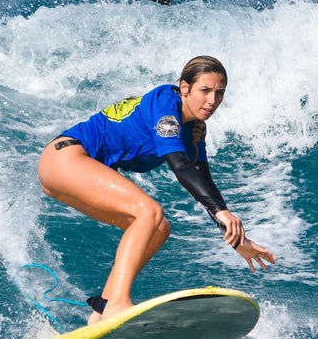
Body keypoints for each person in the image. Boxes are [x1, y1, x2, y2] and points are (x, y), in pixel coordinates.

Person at [37, 55, 277, 323]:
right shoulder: (165, 104)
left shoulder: (195, 129)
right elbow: (181, 166)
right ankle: (118, 303)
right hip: (65, 157)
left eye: (219, 93)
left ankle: (102, 311)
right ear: (185, 88)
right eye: (205, 91)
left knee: (159, 228)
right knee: (148, 211)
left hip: (71, 169)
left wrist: (237, 240)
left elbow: (202, 181)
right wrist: (221, 212)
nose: (212, 101)